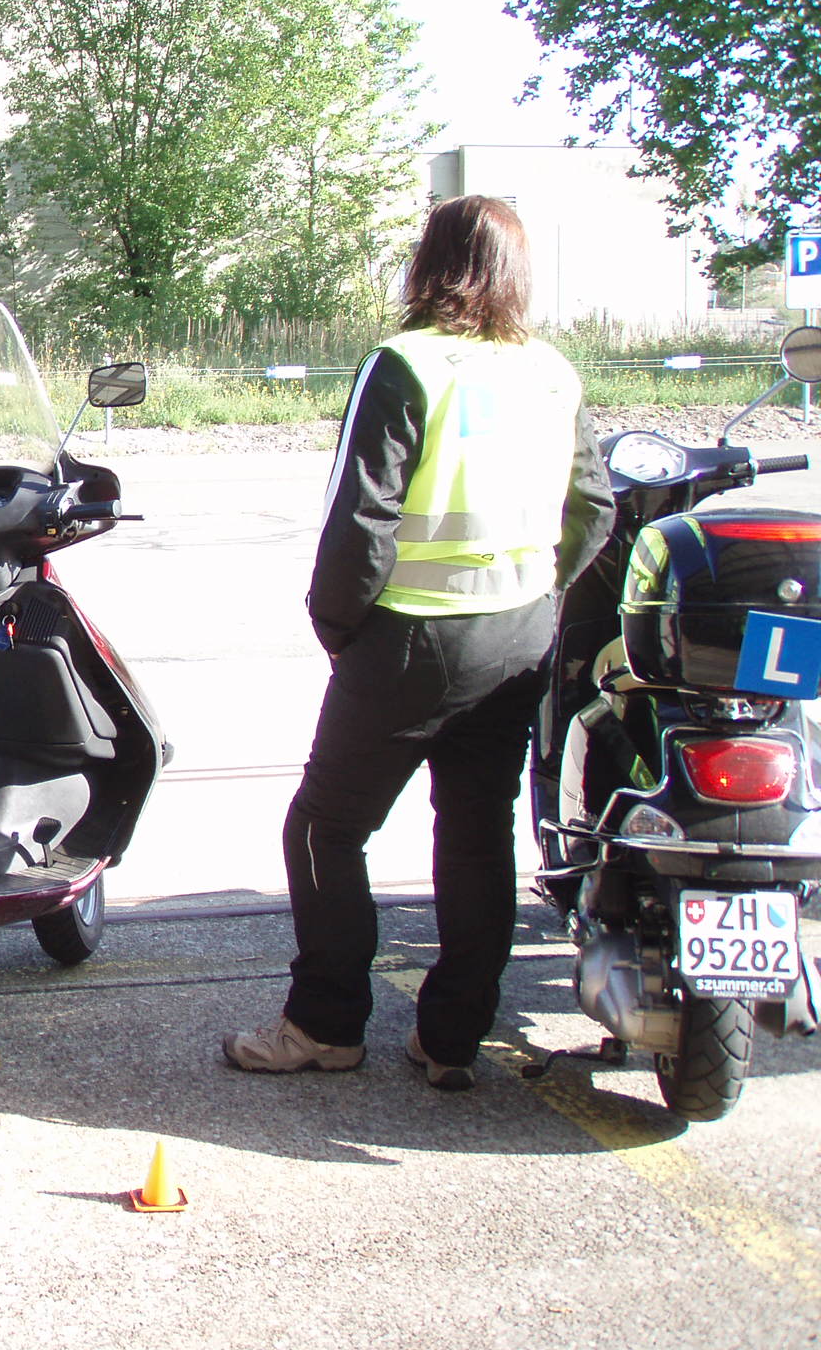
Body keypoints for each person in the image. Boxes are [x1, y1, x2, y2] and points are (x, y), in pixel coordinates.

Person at [222, 195, 615, 1091]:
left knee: (326, 829)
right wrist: (540, 592)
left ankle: (325, 1026)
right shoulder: (553, 372)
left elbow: (358, 519)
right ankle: (452, 1038)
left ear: (428, 264)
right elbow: (595, 505)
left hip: (409, 638)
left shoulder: (406, 364)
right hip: (517, 635)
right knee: (477, 837)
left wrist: (339, 627)